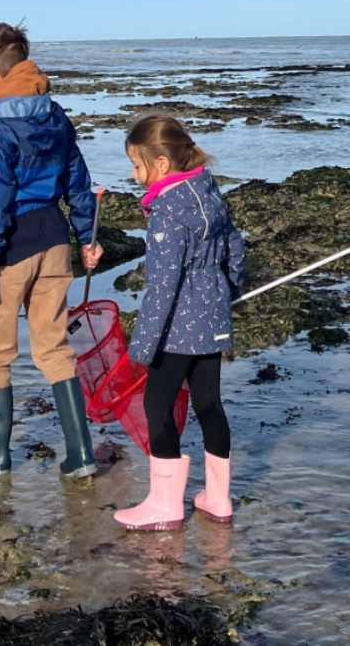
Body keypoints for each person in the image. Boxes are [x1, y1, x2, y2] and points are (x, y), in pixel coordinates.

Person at [0, 22, 101, 478]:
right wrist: (88, 237)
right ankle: (81, 454)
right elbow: (78, 181)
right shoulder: (54, 114)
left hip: (12, 245)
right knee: (54, 347)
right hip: (55, 239)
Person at [113, 114, 245, 531]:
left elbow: (163, 285)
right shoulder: (209, 192)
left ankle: (165, 505)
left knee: (157, 405)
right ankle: (218, 499)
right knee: (209, 403)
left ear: (162, 165)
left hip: (176, 328)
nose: (135, 176)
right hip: (212, 319)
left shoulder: (166, 212)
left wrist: (142, 344)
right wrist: (230, 291)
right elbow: (235, 248)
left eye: (137, 165)